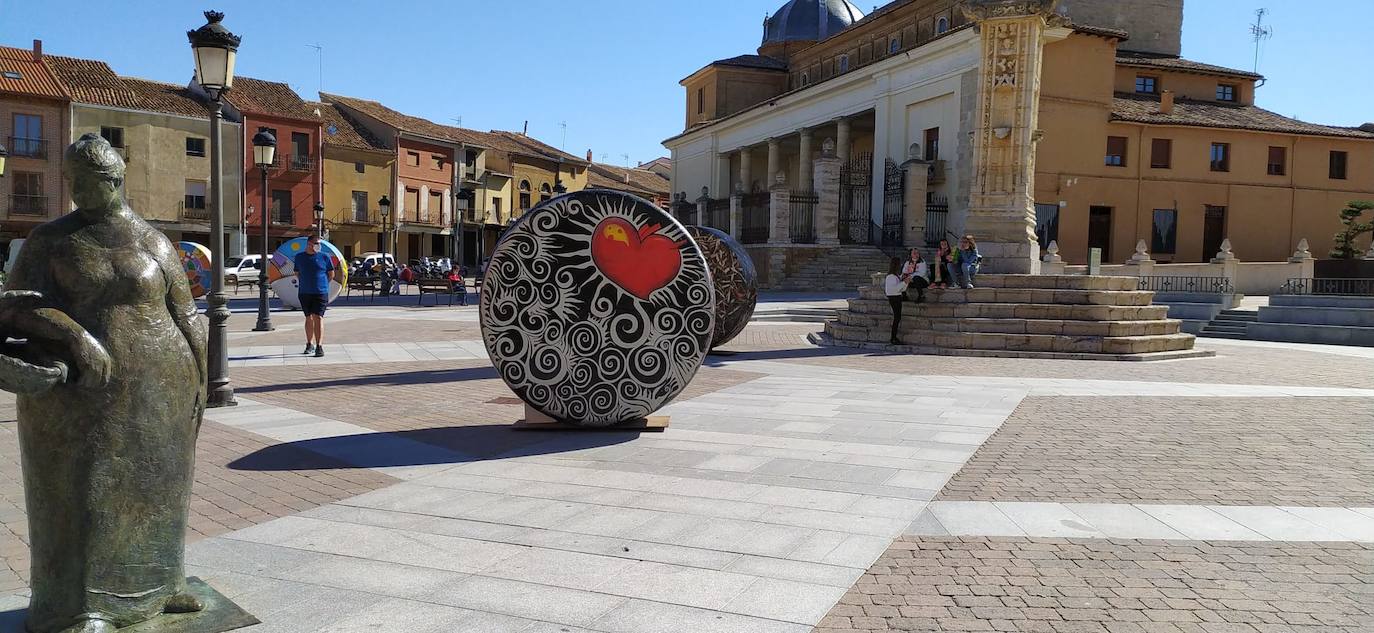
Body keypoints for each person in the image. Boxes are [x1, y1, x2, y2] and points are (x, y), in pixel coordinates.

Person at [4, 133, 206, 631]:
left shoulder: (153, 240)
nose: (75, 190)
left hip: (162, 383)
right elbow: (15, 309)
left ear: (114, 180)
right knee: (88, 488)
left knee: (163, 481)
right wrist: (75, 336)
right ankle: (83, 604)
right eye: (71, 180)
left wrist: (201, 381)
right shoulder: (50, 240)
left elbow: (185, 312)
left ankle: (164, 585)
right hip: (83, 391)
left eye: (85, 181)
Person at [294, 235, 336, 357]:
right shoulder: (299, 257)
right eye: (316, 243)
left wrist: (322, 284)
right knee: (308, 317)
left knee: (318, 317)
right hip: (304, 292)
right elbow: (297, 272)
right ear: (309, 244)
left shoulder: (324, 257)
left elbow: (331, 274)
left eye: (319, 243)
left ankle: (319, 346)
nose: (318, 246)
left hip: (320, 292)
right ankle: (309, 343)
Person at [884, 257, 910, 345]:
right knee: (897, 318)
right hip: (894, 298)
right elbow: (895, 289)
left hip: (897, 297)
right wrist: (904, 282)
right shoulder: (891, 276)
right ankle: (893, 338)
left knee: (897, 317)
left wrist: (905, 282)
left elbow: (902, 289)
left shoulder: (895, 276)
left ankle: (894, 337)